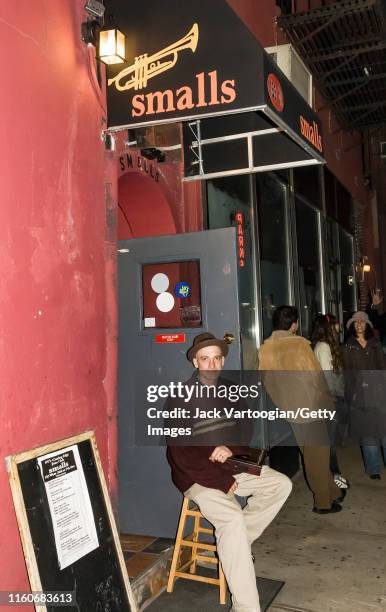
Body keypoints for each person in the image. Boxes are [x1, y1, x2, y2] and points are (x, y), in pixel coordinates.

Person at [166, 332, 292, 612]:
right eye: (204, 359)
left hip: (231, 467)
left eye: (216, 358)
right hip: (197, 477)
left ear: (222, 361)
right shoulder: (179, 399)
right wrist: (222, 481)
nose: (211, 365)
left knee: (280, 484)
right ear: (196, 362)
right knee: (232, 518)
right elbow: (181, 456)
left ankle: (236, 545)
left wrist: (230, 448)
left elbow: (244, 432)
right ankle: (246, 607)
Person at [259, 306, 344, 514]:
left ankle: (332, 491)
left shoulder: (266, 347)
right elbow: (316, 378)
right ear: (294, 324)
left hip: (290, 410)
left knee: (311, 453)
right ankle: (322, 502)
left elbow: (266, 380)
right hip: (311, 407)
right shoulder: (299, 345)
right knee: (318, 455)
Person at [342, 311, 386, 479]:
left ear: (367, 325)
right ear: (352, 326)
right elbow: (347, 374)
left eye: (362, 322)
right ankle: (373, 469)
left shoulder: (375, 343)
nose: (359, 325)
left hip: (379, 393)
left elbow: (382, 367)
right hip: (360, 396)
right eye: (356, 322)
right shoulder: (347, 347)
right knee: (368, 435)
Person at [311, 314, 349, 488]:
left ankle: (332, 479)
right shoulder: (324, 347)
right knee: (329, 445)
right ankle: (334, 480)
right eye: (335, 324)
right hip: (329, 402)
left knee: (330, 443)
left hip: (330, 400)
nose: (338, 327)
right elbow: (327, 379)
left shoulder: (325, 346)